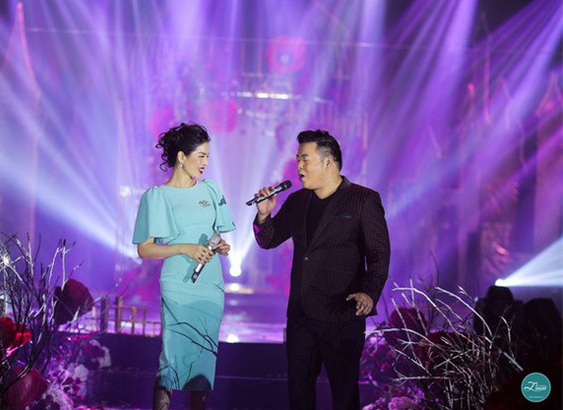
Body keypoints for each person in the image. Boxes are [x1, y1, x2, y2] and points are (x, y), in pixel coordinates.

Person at [252, 130, 390, 410]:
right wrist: (263, 216)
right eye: (297, 159)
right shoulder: (297, 200)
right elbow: (268, 240)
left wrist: (369, 293)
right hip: (301, 314)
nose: (298, 166)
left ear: (328, 162)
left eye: (305, 159)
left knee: (344, 395)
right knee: (299, 394)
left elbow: (379, 254)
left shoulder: (363, 200)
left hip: (342, 313)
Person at [132, 123, 235, 410]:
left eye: (207, 156)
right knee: (172, 357)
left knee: (204, 357)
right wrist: (183, 248)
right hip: (178, 283)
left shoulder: (210, 190)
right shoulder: (157, 196)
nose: (205, 163)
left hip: (210, 285)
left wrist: (220, 246)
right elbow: (144, 248)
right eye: (200, 156)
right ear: (181, 157)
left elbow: (216, 234)